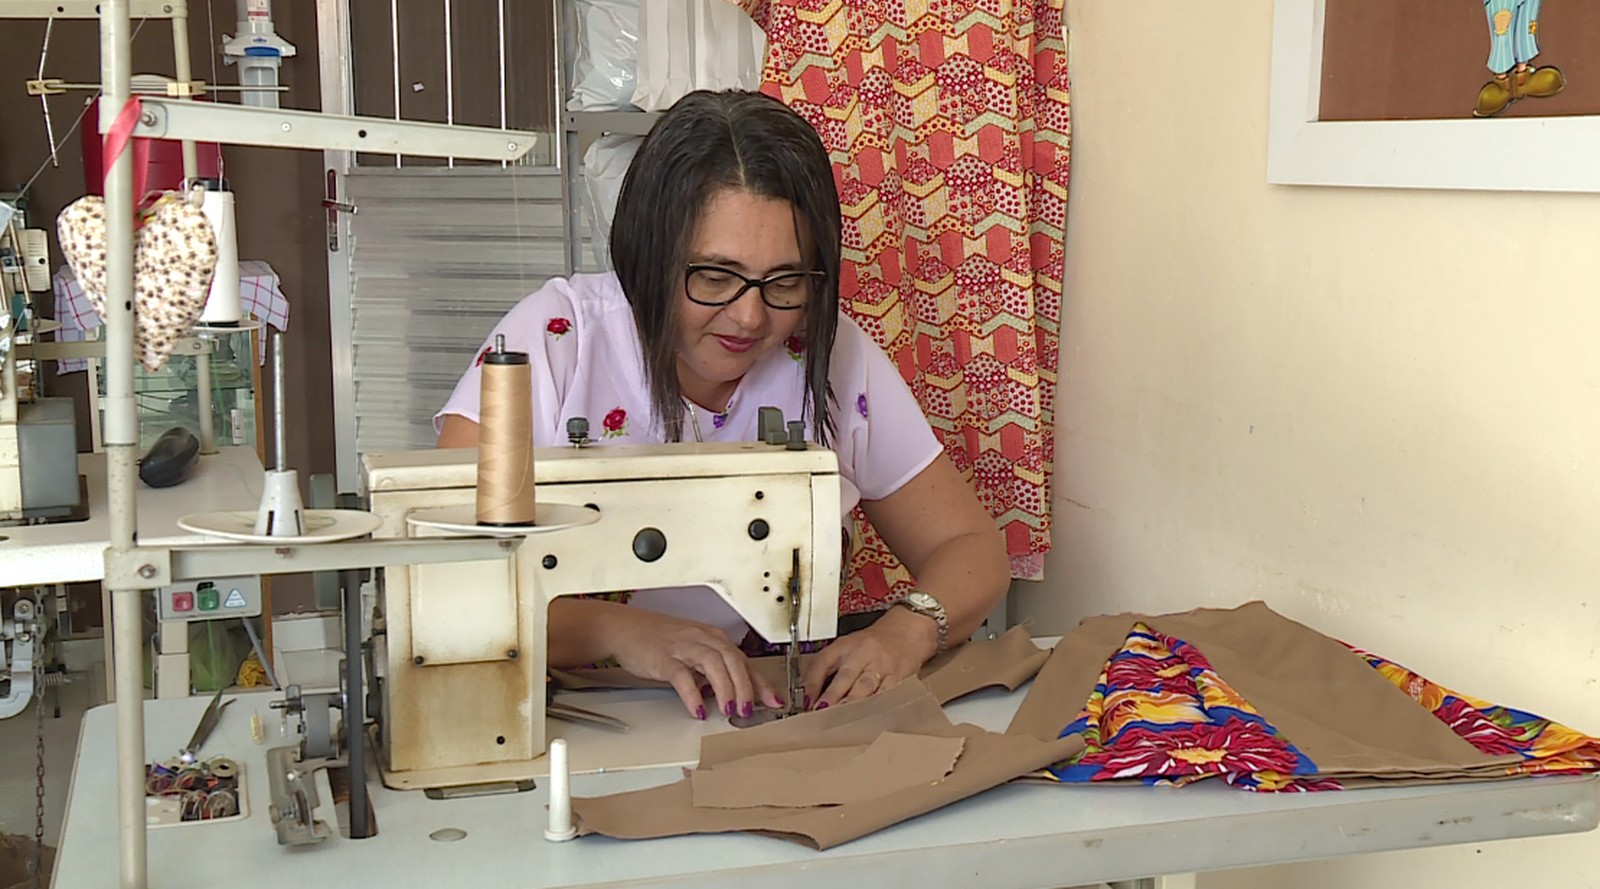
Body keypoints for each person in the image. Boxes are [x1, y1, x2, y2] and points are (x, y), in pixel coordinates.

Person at [436, 90, 1008, 722]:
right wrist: (616, 631)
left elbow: (971, 547)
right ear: (648, 255)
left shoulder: (832, 358)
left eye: (785, 281)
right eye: (714, 277)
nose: (750, 316)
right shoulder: (553, 344)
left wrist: (905, 631)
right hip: (564, 716)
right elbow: (447, 578)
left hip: (762, 708)